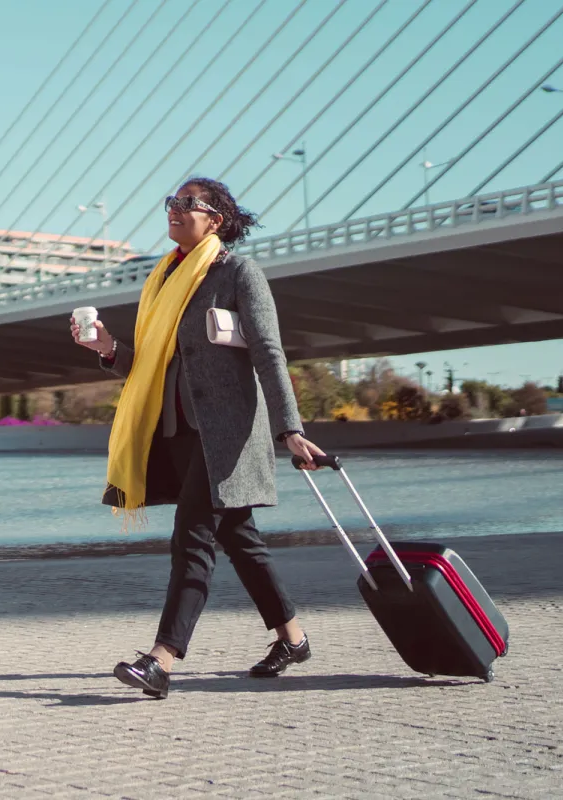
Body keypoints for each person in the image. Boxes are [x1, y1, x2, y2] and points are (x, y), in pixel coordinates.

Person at [70, 177, 326, 700]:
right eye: (172, 202)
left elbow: (268, 354)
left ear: (217, 219)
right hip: (178, 429)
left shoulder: (237, 272)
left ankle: (162, 660)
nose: (176, 210)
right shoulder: (162, 278)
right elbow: (148, 363)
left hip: (227, 434)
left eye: (189, 204)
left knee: (193, 538)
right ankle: (293, 638)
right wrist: (106, 346)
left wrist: (290, 428)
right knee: (240, 538)